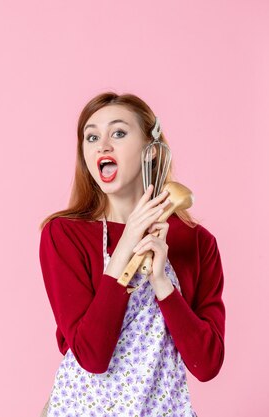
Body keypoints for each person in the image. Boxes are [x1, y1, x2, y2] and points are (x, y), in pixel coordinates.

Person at [38, 92, 225, 417]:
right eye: (92, 136)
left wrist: (161, 283)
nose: (102, 146)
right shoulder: (64, 235)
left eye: (119, 133)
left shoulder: (197, 243)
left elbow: (206, 364)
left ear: (151, 152)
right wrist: (126, 249)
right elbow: (92, 357)